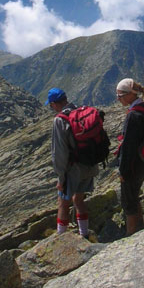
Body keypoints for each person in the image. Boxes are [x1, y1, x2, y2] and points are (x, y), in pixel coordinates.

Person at [46, 87, 97, 238]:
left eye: (51, 105)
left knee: (63, 202)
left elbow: (59, 153)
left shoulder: (60, 120)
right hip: (89, 164)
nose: (51, 108)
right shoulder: (81, 111)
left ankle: (60, 238)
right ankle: (84, 234)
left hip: (72, 169)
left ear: (54, 104)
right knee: (79, 200)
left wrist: (61, 178)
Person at [116, 78, 144, 236]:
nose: (118, 99)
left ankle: (132, 235)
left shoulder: (133, 115)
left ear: (131, 94)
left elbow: (128, 146)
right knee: (134, 194)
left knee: (128, 201)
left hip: (133, 165)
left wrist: (123, 171)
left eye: (120, 95)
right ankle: (141, 226)